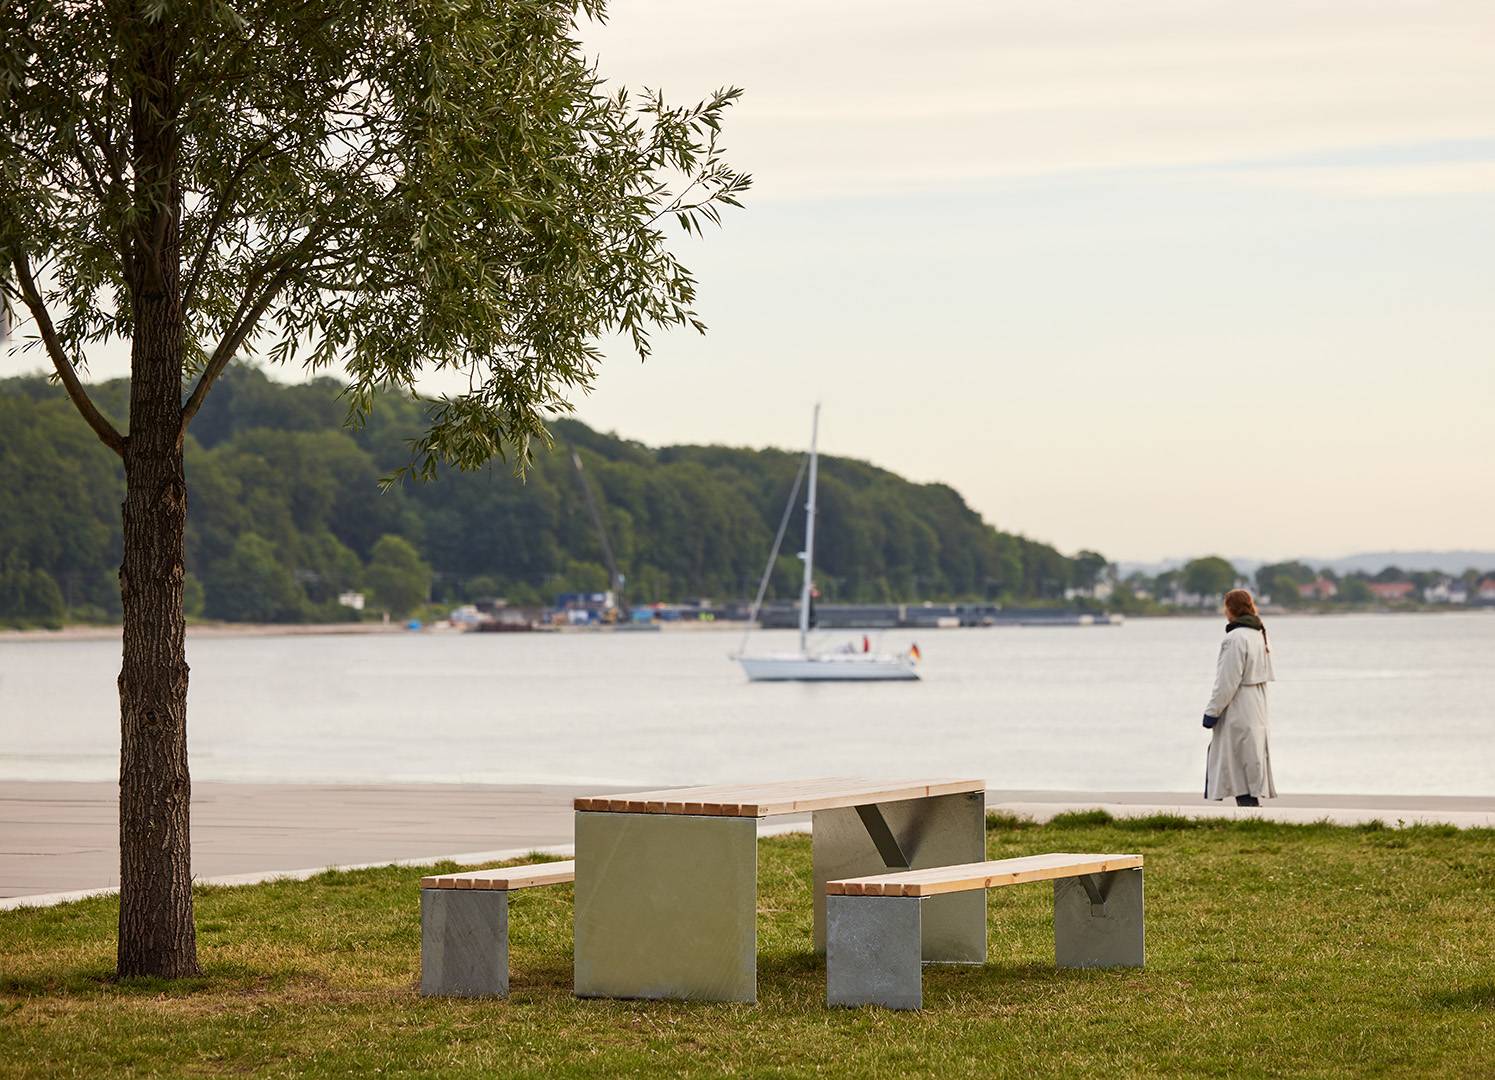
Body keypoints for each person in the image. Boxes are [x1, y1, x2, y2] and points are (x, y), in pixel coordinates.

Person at [1202, 588, 1276, 807]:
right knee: (1249, 757)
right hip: (1257, 704)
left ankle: (1247, 806)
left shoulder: (1235, 638)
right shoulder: (1259, 634)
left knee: (1235, 760)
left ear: (1230, 609)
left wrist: (1212, 711)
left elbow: (1227, 680)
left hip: (1238, 705)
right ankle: (1250, 804)